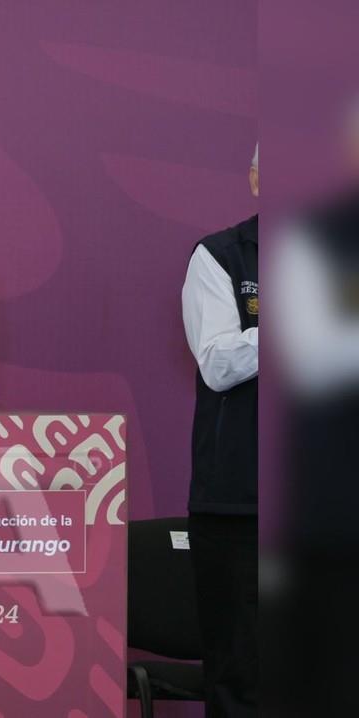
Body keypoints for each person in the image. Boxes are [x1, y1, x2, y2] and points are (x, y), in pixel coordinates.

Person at [181, 144, 258, 717]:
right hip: (241, 502)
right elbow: (217, 362)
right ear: (257, 179)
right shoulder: (220, 256)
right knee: (241, 675)